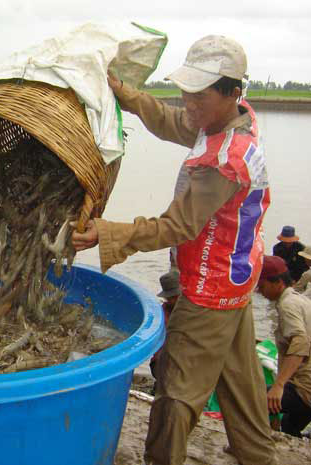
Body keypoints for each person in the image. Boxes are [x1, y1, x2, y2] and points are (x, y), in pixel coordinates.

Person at [72, 35, 277, 465]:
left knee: (176, 395)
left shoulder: (222, 162)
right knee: (241, 387)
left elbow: (178, 226)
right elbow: (173, 121)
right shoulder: (235, 121)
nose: (188, 101)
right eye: (186, 89)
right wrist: (126, 95)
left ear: (231, 92)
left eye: (199, 94)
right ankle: (259, 455)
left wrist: (107, 234)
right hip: (239, 279)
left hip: (208, 290)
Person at [257, 255, 311, 437]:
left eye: (262, 285)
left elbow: (301, 342)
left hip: (304, 387)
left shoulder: (287, 305)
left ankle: (251, 446)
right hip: (302, 384)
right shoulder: (300, 300)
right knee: (289, 427)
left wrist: (278, 385)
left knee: (253, 400)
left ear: (277, 283)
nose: (258, 291)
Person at [149, 270, 180, 391]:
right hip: (162, 365)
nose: (173, 300)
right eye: (171, 298)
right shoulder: (162, 314)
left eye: (175, 297)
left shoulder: (193, 311)